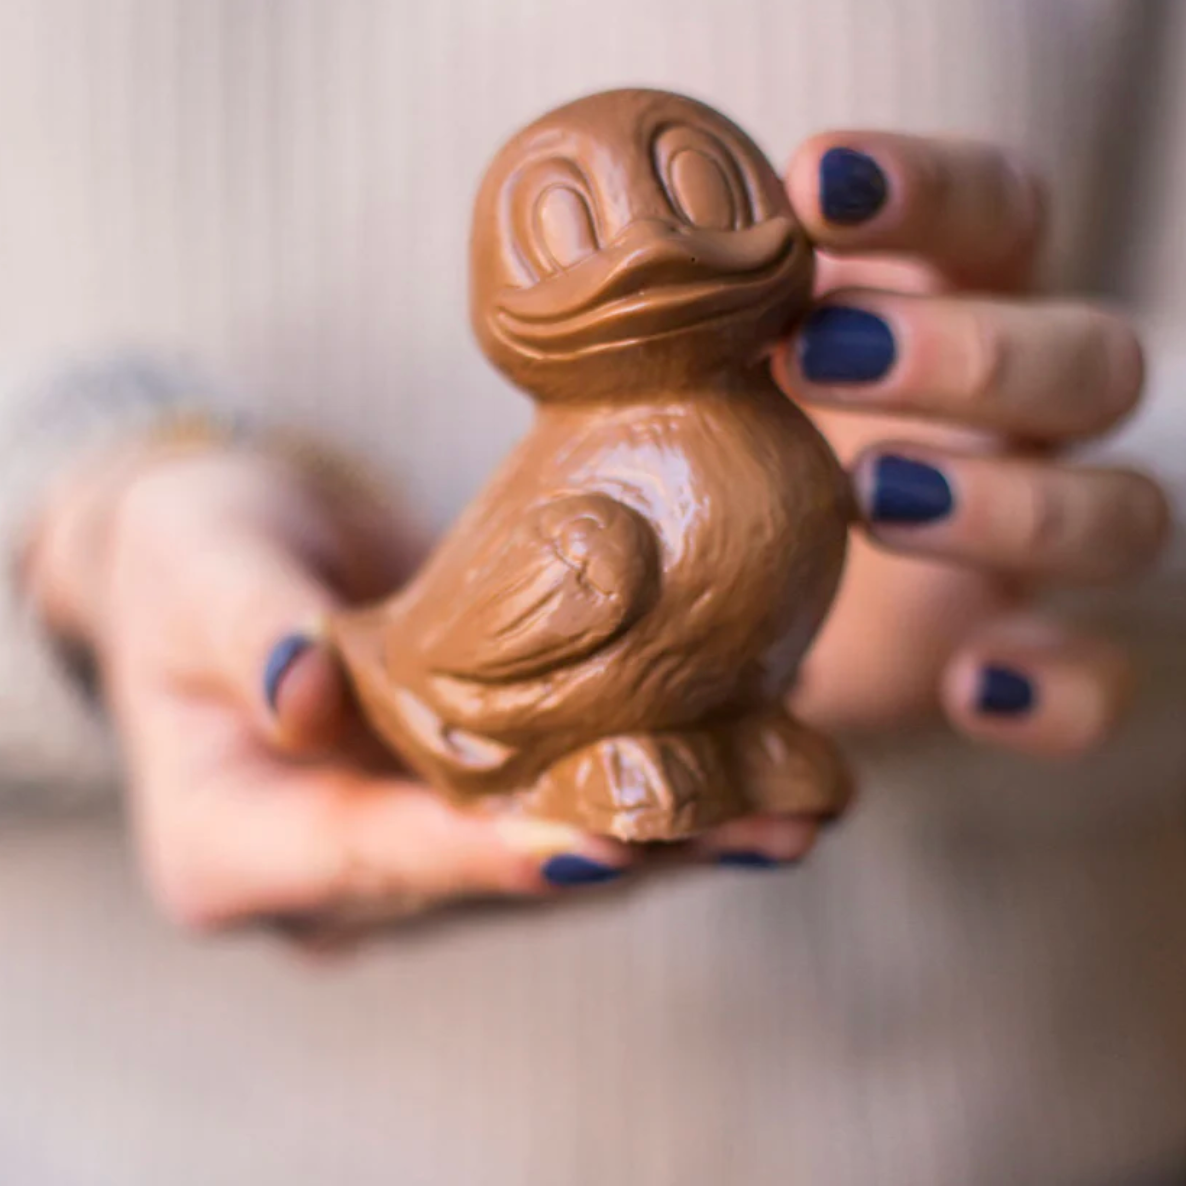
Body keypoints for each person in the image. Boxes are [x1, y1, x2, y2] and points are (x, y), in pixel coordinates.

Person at [0, 2, 1183, 1183]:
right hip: (188, 1136)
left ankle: (737, 730)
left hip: (1019, 1124)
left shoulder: (800, 454)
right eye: (570, 225)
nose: (646, 252)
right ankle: (612, 755)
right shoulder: (585, 521)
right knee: (608, 571)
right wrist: (81, 552)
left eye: (699, 194)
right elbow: (442, 658)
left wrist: (1077, 499)